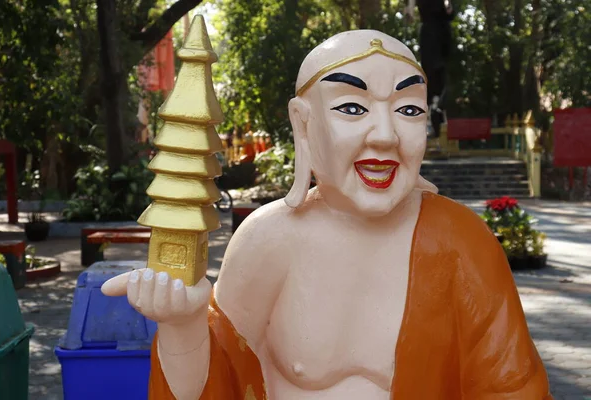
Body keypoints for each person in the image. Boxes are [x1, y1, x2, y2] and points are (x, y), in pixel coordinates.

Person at [102, 30, 552, 399]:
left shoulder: (461, 240)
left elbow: (513, 389)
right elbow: (220, 384)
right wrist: (182, 326)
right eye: (352, 108)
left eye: (409, 109)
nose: (384, 135)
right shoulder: (269, 239)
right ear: (303, 123)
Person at [406, 0, 454, 138]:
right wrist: (410, 10)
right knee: (430, 73)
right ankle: (430, 115)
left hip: (443, 33)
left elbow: (448, 6)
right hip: (429, 34)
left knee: (442, 73)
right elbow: (411, 5)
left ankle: (438, 111)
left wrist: (447, 4)